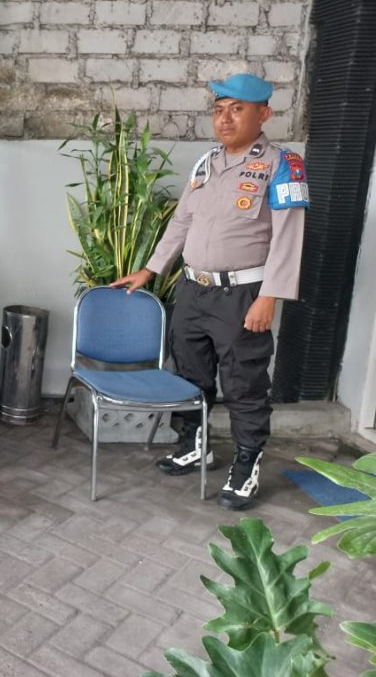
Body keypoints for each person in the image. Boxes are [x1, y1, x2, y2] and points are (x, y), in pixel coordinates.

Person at [113, 72, 308, 511]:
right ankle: (194, 442)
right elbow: (182, 222)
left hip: (242, 297)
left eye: (236, 109)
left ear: (264, 114)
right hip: (193, 290)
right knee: (189, 374)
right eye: (218, 110)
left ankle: (246, 463)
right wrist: (150, 269)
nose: (224, 119)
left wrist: (269, 297)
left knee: (244, 383)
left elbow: (289, 237)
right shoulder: (206, 163)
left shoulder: (282, 165)